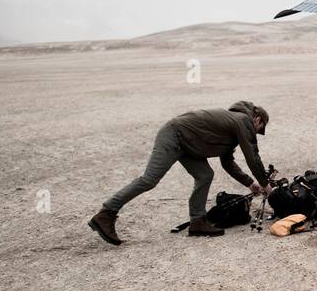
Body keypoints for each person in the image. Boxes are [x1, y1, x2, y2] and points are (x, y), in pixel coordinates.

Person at [89, 100, 272, 244]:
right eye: (259, 129)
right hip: (174, 135)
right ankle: (106, 213)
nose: (256, 133)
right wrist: (265, 184)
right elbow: (253, 157)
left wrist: (250, 183)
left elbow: (227, 162)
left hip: (189, 145)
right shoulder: (242, 120)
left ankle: (198, 221)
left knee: (205, 175)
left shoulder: (234, 125)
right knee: (150, 179)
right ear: (258, 119)